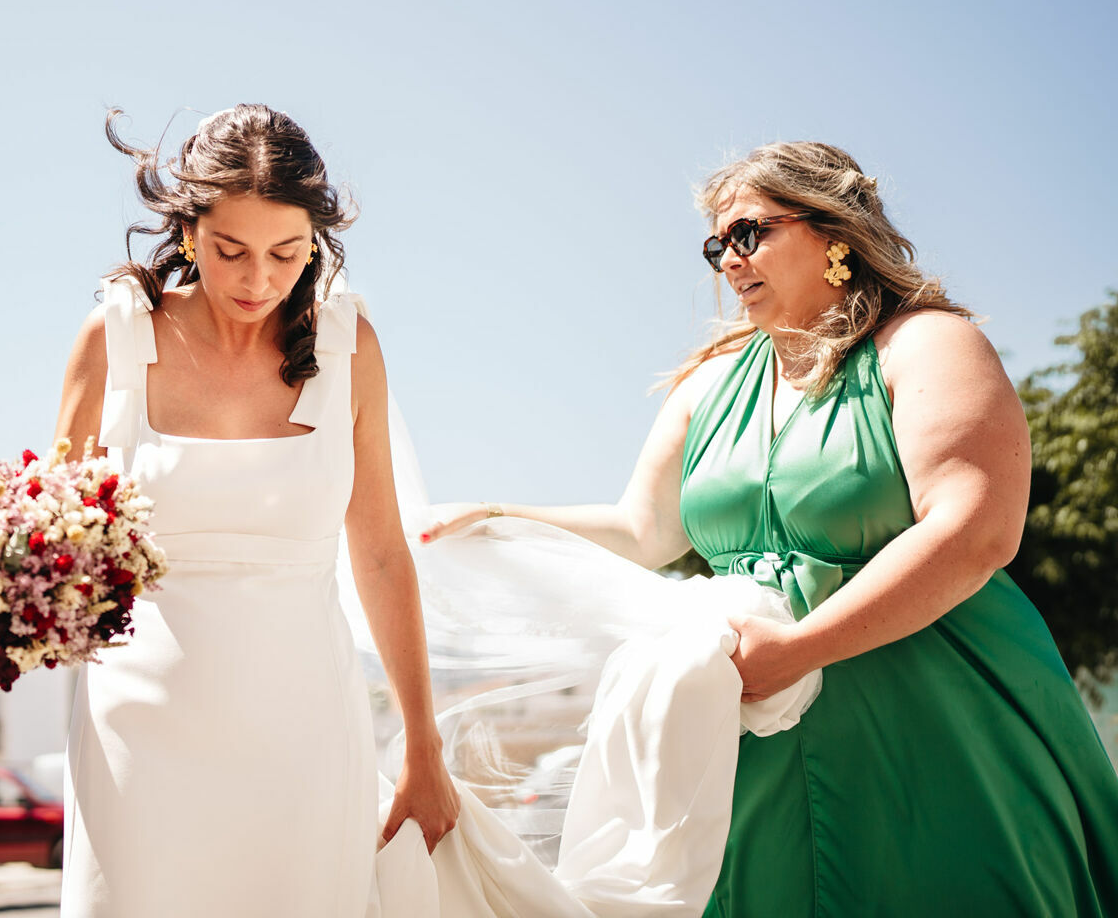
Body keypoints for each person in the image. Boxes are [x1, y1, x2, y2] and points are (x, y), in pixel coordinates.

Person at [428, 141, 1118, 916]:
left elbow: (974, 530)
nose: (729, 260)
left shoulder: (926, 344)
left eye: (750, 233)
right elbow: (642, 531)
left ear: (834, 236)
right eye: (717, 244)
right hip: (748, 729)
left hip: (934, 721)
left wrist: (799, 651)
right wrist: (499, 517)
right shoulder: (710, 385)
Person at [0, 104, 458, 917]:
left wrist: (423, 746)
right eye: (232, 251)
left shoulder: (350, 348)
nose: (259, 280)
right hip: (138, 732)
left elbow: (383, 554)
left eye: (287, 254)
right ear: (188, 232)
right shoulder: (112, 339)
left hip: (306, 730)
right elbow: (48, 527)